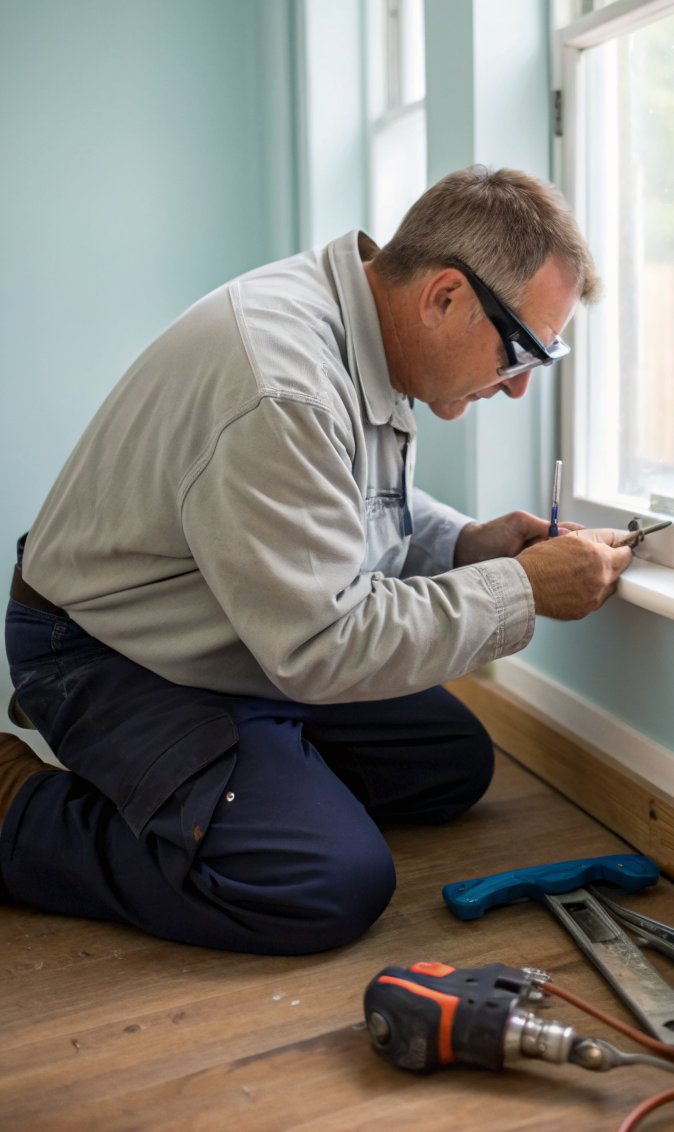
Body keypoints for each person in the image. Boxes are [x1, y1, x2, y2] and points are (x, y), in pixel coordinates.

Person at [0, 166, 632, 955]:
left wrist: (467, 545)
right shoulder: (282, 383)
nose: (515, 389)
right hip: (104, 648)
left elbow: (335, 502)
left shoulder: (362, 318)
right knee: (326, 882)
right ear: (444, 296)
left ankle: (219, 773)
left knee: (451, 763)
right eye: (520, 350)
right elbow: (322, 646)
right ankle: (21, 814)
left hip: (239, 630)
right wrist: (521, 591)